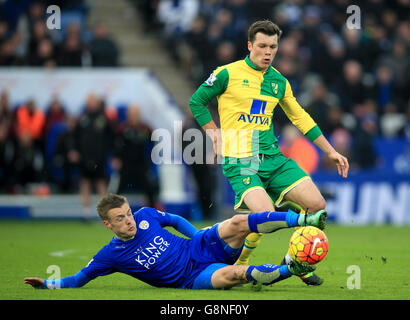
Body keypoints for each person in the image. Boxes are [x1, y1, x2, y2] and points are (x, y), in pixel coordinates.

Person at [188, 20, 349, 285]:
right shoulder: (227, 73)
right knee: (264, 215)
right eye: (262, 46)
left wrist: (330, 151)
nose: (267, 52)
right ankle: (240, 264)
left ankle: (296, 262)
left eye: (273, 47)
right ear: (250, 45)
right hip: (241, 159)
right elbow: (197, 101)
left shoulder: (278, 82)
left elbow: (300, 118)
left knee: (317, 205)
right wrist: (214, 134)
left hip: (273, 158)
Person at [24, 193, 327, 290]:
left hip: (199, 247)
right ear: (108, 224)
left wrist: (196, 236)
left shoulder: (145, 215)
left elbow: (172, 220)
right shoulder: (110, 255)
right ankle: (292, 267)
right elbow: (79, 279)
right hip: (191, 277)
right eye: (120, 219)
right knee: (236, 274)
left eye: (128, 214)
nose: (129, 220)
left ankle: (303, 221)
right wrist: (49, 285)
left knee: (238, 221)